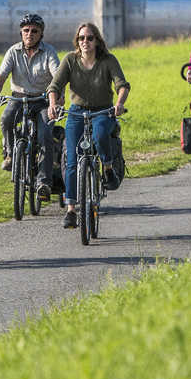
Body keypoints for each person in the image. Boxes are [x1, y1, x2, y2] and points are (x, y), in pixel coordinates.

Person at [47, 21, 130, 230]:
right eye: (82, 38)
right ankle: (71, 210)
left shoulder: (108, 60)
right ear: (77, 41)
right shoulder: (70, 60)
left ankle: (108, 167)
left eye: (90, 38)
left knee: (101, 135)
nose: (85, 42)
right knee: (72, 160)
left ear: (97, 41)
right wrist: (52, 105)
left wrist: (119, 104)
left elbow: (122, 84)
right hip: (76, 112)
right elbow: (55, 86)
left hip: (103, 111)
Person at [0, 12, 61, 196]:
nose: (30, 34)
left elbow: (58, 77)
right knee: (6, 119)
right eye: (26, 30)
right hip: (19, 97)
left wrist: (57, 100)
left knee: (45, 134)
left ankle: (43, 182)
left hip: (42, 99)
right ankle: (10, 154)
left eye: (34, 31)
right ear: (21, 33)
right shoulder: (13, 51)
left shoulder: (49, 52)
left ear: (41, 34)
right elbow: (1, 75)